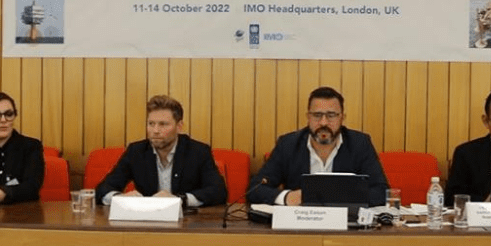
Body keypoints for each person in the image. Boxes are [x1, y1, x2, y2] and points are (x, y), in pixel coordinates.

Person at [246, 86, 388, 207]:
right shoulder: (288, 144)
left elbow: (381, 191)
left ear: (342, 118)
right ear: (308, 117)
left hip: (345, 224)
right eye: (317, 115)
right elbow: (255, 189)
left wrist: (337, 197)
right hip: (299, 223)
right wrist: (286, 197)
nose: (323, 122)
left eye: (331, 115)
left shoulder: (359, 143)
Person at [95, 95, 227, 208]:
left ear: (179, 126)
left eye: (163, 124)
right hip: (147, 221)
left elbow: (219, 192)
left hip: (186, 223)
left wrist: (180, 200)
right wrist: (120, 198)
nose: (155, 131)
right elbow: (103, 189)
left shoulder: (198, 151)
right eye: (151, 124)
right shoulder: (136, 151)